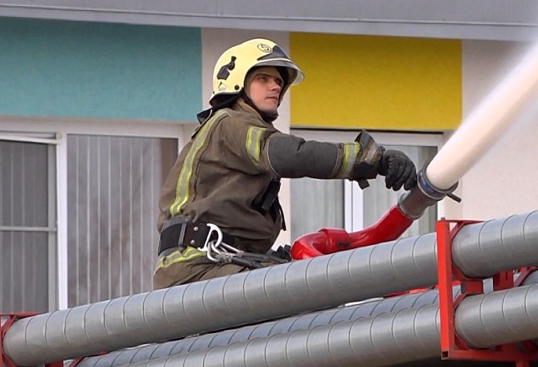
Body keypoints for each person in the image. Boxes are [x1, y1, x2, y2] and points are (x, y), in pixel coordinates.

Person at [154, 38, 418, 288]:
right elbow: (291, 155)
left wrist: (270, 257)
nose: (275, 86)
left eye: (278, 81)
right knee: (304, 296)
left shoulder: (236, 133)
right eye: (263, 78)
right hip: (197, 269)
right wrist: (372, 160)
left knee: (302, 290)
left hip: (217, 265)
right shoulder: (230, 123)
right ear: (238, 84)